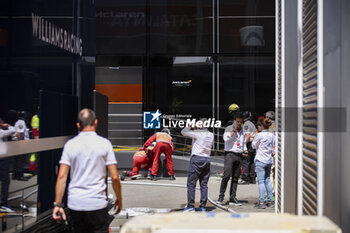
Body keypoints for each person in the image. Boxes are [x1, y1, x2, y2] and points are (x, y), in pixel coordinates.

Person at [52, 109, 122, 233]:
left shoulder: (70, 145)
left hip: (75, 204)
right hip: (97, 204)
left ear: (78, 125)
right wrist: (119, 199)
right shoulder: (104, 144)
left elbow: (62, 176)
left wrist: (58, 204)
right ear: (96, 122)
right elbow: (115, 176)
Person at [181, 121, 214, 212]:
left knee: (191, 184)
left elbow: (183, 132)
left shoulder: (198, 133)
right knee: (204, 184)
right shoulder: (211, 135)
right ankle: (202, 206)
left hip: (197, 159)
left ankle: (191, 206)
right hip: (206, 159)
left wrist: (191, 126)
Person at [217, 114, 247, 206]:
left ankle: (232, 197)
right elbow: (225, 139)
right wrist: (233, 131)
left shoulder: (242, 131)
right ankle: (221, 197)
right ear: (234, 121)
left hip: (239, 155)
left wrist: (245, 150)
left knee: (235, 177)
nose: (239, 124)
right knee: (226, 176)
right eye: (238, 122)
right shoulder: (229, 128)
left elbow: (243, 142)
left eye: (241, 122)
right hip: (230, 154)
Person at [252, 119, 275, 209]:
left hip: (260, 159)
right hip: (268, 160)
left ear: (261, 126)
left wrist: (255, 136)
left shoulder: (259, 135)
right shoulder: (271, 135)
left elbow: (254, 145)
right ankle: (270, 200)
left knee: (261, 182)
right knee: (267, 180)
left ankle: (261, 202)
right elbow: (274, 145)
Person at [0, 118, 16, 213]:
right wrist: (8, 125)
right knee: (5, 181)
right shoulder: (1, 131)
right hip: (2, 159)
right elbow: (13, 130)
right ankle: (3, 203)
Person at [239, 111, 257, 185]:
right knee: (252, 162)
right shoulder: (252, 123)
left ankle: (245, 178)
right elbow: (256, 133)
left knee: (245, 161)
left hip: (248, 144)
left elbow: (247, 135)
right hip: (253, 144)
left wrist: (243, 145)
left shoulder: (246, 124)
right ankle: (252, 178)